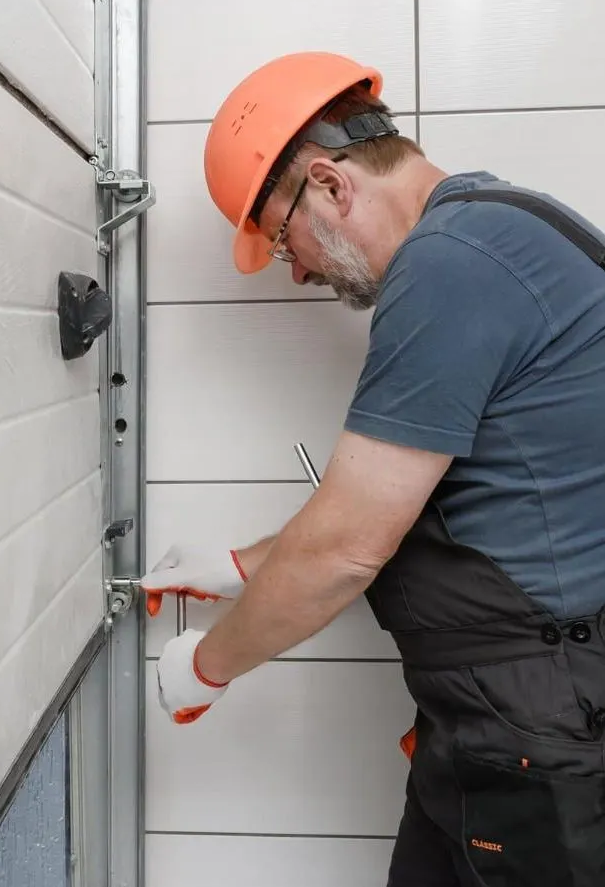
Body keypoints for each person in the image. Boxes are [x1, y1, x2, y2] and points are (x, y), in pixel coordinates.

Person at [140, 51, 605, 887]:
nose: (299, 269)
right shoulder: (499, 227)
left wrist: (203, 667)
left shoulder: (449, 268)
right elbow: (400, 493)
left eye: (284, 238)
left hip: (538, 725)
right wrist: (241, 565)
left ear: (329, 182)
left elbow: (346, 548)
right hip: (507, 718)